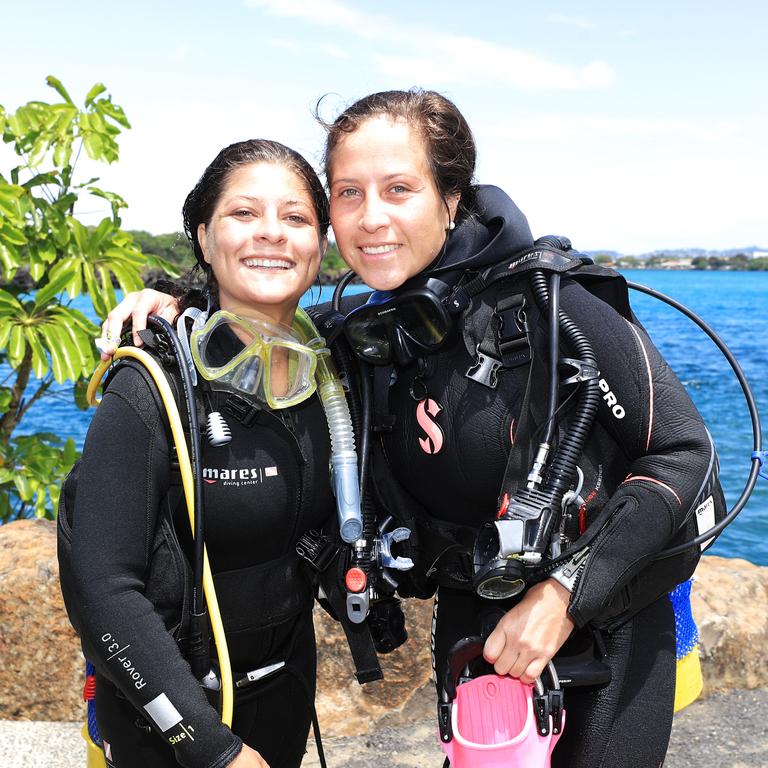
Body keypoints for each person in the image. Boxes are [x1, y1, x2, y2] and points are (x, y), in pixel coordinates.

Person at [103, 90, 724, 767]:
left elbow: (683, 453)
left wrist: (566, 597)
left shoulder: (550, 310)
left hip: (606, 624)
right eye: (347, 193)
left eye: (399, 189)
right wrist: (179, 304)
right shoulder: (367, 336)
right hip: (475, 624)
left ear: (451, 198)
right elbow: (257, 318)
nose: (372, 219)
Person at [69, 139, 337, 768]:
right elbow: (102, 590)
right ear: (203, 235)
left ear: (322, 244)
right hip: (169, 727)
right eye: (244, 214)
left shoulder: (335, 369)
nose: (271, 233)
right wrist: (212, 749)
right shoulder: (151, 384)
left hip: (283, 698)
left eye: (296, 218)